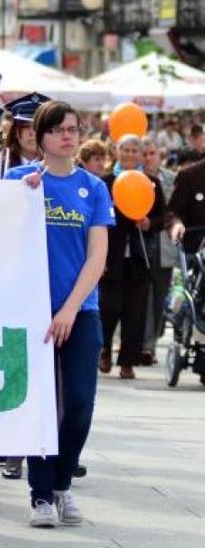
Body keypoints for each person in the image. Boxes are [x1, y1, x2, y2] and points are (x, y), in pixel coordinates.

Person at [6, 100, 111, 528]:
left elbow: (97, 254)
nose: (68, 136)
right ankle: (40, 495)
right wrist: (17, 200)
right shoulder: (20, 180)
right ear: (40, 136)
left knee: (81, 404)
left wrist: (69, 308)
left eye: (73, 129)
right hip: (30, 312)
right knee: (42, 405)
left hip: (79, 311)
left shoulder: (94, 187)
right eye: (59, 130)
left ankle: (62, 484)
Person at [99, 134, 165, 380]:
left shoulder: (152, 183)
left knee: (135, 313)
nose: (129, 154)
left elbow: (163, 218)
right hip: (110, 256)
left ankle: (128, 362)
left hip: (140, 257)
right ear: (116, 151)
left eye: (134, 150)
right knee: (108, 308)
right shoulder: (104, 183)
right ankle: (103, 349)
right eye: (124, 149)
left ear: (141, 154)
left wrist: (149, 223)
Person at [142, 136, 176, 365]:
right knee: (144, 297)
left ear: (160, 155)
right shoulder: (132, 179)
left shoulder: (172, 179)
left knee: (159, 297)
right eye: (144, 154)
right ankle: (146, 346)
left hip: (165, 246)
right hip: (141, 246)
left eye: (151, 153)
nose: (147, 158)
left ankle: (151, 340)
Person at [1, 93, 49, 170]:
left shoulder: (57, 168)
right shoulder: (1, 167)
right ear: (15, 131)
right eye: (25, 126)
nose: (32, 133)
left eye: (37, 126)